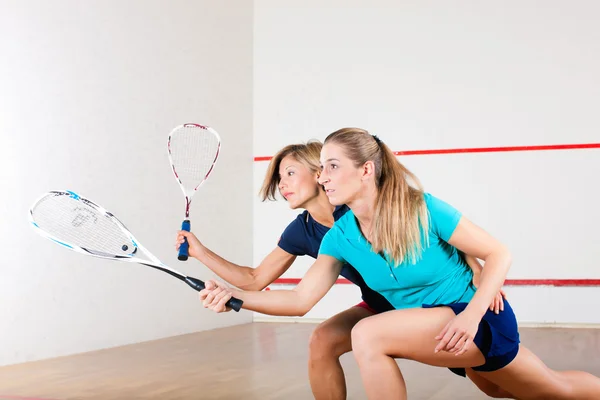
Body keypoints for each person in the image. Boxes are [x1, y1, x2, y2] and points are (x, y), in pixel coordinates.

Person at [196, 128, 600, 400]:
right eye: (323, 170)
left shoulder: (420, 208)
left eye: (332, 167)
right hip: (430, 328)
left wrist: (473, 313)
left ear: (366, 170)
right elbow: (300, 299)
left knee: (557, 391)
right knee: (535, 389)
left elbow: (498, 254)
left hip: (475, 322)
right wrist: (236, 296)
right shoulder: (339, 237)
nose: (323, 178)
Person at [176, 139, 502, 399]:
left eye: (289, 173)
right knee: (322, 340)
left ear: (317, 171)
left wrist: (478, 271)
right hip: (380, 307)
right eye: (279, 178)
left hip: (435, 307)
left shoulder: (359, 201)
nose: (282, 184)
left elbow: (426, 225)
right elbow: (256, 279)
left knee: (496, 387)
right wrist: (200, 252)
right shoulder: (302, 231)